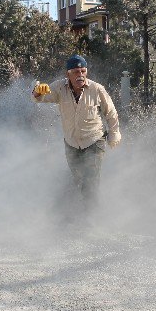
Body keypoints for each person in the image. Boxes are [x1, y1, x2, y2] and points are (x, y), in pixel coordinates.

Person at [32, 54, 121, 209]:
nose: (80, 75)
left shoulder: (96, 89)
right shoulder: (60, 87)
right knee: (77, 179)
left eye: (83, 71)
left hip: (94, 140)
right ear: (68, 73)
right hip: (72, 142)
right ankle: (73, 214)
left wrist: (114, 134)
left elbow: (111, 113)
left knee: (90, 180)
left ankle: (91, 218)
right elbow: (39, 98)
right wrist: (38, 91)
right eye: (76, 72)